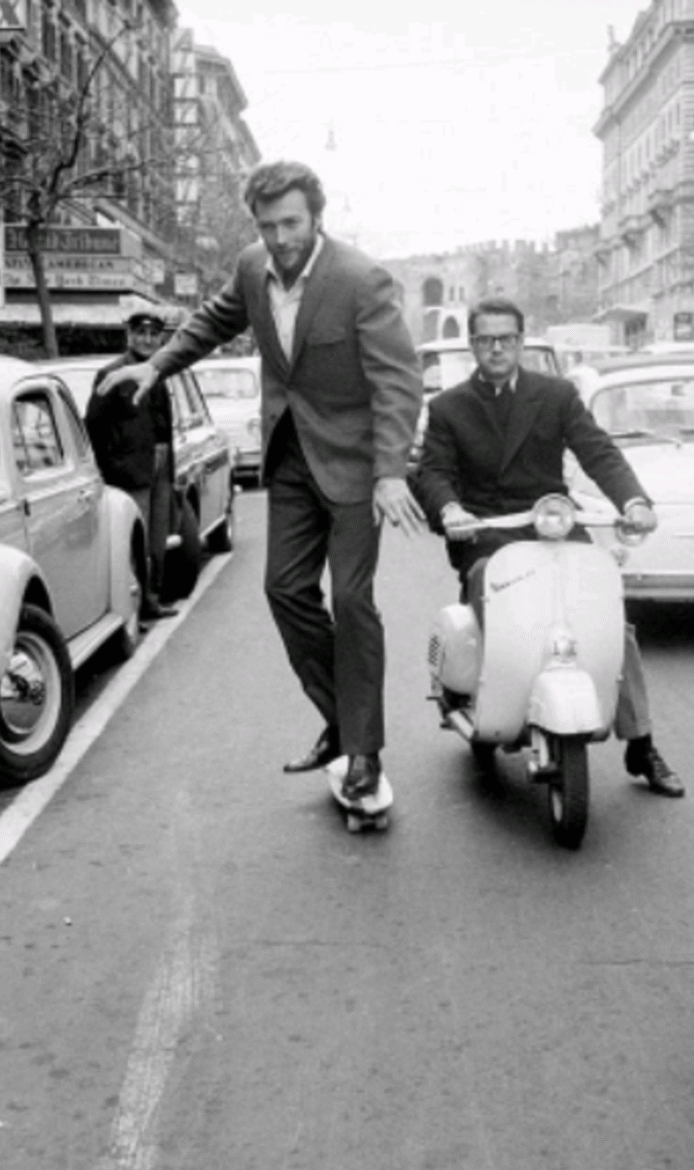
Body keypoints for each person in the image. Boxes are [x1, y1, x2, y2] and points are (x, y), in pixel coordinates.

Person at [95, 160, 424, 801]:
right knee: (284, 591)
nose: (280, 238)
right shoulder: (252, 266)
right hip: (291, 458)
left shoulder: (361, 279)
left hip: (355, 464)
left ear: (316, 217)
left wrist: (390, 472)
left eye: (291, 223)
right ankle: (342, 720)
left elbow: (397, 380)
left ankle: (364, 752)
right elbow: (216, 320)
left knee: (353, 603)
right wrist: (155, 367)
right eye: (268, 225)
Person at [416, 296, 684, 798]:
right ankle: (489, 704)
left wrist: (633, 500)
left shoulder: (556, 396)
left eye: (507, 339)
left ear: (521, 342)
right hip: (488, 534)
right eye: (486, 339)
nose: (497, 349)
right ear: (472, 344)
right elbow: (432, 471)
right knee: (497, 611)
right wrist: (450, 509)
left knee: (610, 623)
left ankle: (641, 743)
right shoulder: (448, 408)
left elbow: (597, 451)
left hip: (552, 526)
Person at [85, 306, 177, 620]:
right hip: (130, 470)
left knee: (157, 539)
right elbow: (94, 425)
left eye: (153, 335)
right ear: (130, 335)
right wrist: (108, 467)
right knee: (134, 540)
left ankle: (152, 599)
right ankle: (134, 606)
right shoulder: (111, 374)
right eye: (141, 333)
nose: (147, 339)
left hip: (161, 467)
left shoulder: (160, 371)